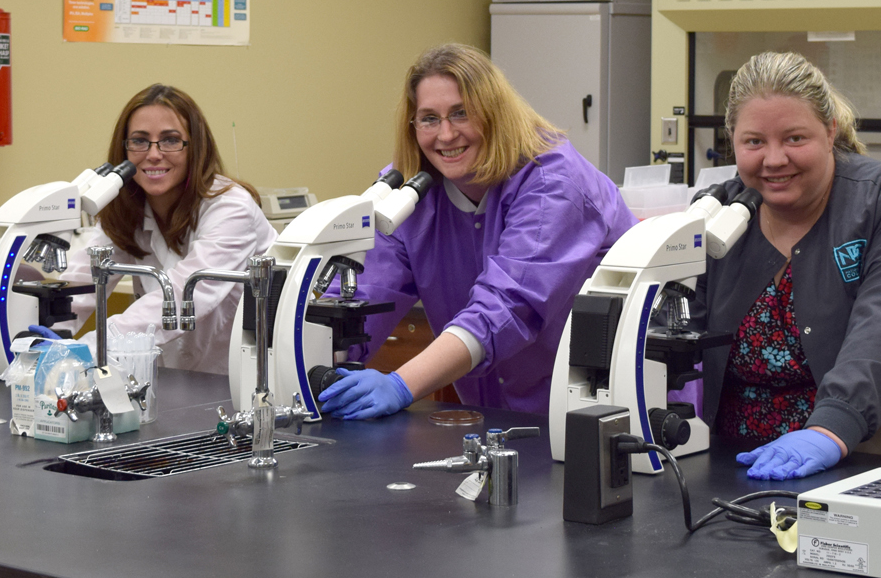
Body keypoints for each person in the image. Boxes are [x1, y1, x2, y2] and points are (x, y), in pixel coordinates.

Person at [317, 44, 637, 420]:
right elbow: (364, 293)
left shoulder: (553, 180)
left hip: (593, 407)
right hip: (491, 414)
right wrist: (315, 356)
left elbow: (507, 307)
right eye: (429, 119)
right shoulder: (410, 190)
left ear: (495, 114)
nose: (446, 134)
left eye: (461, 114)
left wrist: (400, 385)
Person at [696, 51, 881, 481]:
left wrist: (830, 430)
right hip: (734, 469)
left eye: (795, 138)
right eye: (754, 142)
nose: (774, 160)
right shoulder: (720, 214)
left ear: (830, 130)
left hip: (867, 460)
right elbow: (676, 332)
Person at [33, 84, 275, 374]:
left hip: (243, 373)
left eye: (170, 140)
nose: (154, 154)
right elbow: (83, 282)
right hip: (174, 376)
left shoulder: (231, 207)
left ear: (195, 147)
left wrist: (86, 350)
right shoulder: (129, 209)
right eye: (140, 141)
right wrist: (42, 340)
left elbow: (182, 295)